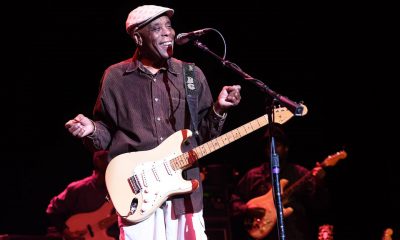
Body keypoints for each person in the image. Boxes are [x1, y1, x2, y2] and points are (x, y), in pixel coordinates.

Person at [64, 4, 241, 240]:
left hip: (184, 193)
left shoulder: (191, 74)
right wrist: (91, 129)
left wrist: (219, 109)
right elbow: (106, 134)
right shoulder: (116, 77)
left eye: (169, 26)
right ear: (138, 37)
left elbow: (203, 137)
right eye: (157, 28)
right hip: (138, 193)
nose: (168, 33)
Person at [230, 123, 331, 240]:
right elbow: (234, 202)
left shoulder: (300, 173)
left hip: (293, 234)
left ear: (286, 148)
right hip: (261, 233)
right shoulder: (253, 175)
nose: (272, 150)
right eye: (269, 147)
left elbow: (321, 204)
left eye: (276, 145)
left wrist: (319, 182)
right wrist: (248, 210)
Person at [46, 150, 119, 240]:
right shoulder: (78, 188)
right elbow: (52, 210)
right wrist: (65, 231)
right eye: (110, 158)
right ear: (98, 161)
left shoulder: (118, 190)